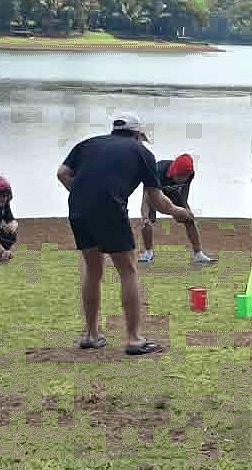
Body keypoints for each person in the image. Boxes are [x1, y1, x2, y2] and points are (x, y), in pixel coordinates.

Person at [57, 112, 194, 355]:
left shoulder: (87, 144)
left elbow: (62, 173)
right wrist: (176, 211)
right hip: (109, 209)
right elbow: (157, 199)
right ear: (137, 134)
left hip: (78, 209)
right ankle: (133, 338)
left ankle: (91, 334)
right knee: (128, 270)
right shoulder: (141, 153)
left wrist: (81, 193)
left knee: (93, 270)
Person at [139, 152, 215, 265]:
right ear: (173, 172)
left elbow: (184, 191)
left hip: (172, 191)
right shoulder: (158, 171)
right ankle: (148, 252)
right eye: (179, 176)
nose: (182, 179)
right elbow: (147, 197)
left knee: (189, 218)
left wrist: (184, 208)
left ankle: (198, 254)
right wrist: (145, 215)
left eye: (185, 177)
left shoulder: (190, 174)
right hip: (155, 192)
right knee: (147, 221)